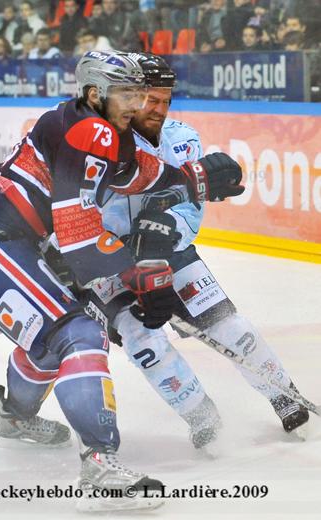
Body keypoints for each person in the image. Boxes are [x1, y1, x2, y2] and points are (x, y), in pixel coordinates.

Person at [0, 50, 244, 510]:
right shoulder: (92, 130)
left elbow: (137, 175)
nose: (139, 102)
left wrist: (189, 179)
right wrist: (133, 274)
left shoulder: (101, 131)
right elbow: (80, 233)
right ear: (94, 93)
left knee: (55, 335)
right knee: (80, 333)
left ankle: (17, 419)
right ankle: (100, 465)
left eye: (141, 92)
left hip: (4, 243)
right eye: (127, 93)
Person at [80, 53, 309, 447]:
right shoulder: (98, 142)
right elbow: (76, 207)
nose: (159, 109)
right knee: (143, 342)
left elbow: (189, 208)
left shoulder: (183, 138)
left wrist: (163, 231)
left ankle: (283, 394)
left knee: (228, 324)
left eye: (166, 100)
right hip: (111, 266)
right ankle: (201, 415)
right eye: (151, 99)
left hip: (172, 253)